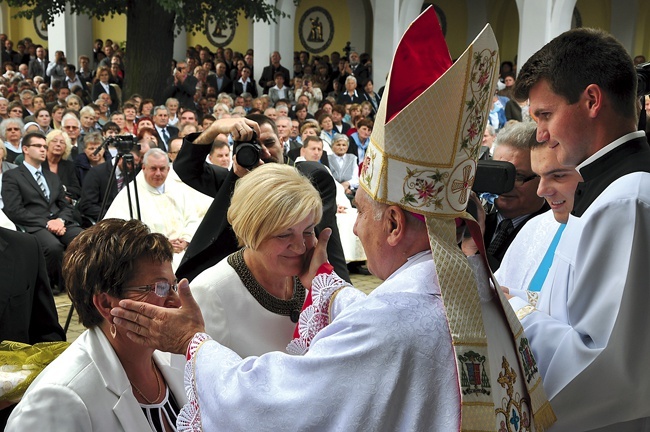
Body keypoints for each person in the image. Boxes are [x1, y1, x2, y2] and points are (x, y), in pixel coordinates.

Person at [111, 12, 554, 431]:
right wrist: (327, 284)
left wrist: (194, 341)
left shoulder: (395, 318)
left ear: (395, 223)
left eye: (361, 211)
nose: (355, 229)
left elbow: (276, 403)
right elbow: (383, 324)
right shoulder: (468, 285)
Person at [506, 28, 650, 431]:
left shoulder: (629, 199)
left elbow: (605, 369)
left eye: (545, 115)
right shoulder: (607, 191)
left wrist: (512, 312)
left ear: (591, 100)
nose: (540, 134)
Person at [5, 219, 187, 431]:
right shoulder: (59, 397)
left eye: (173, 285)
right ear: (106, 304)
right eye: (160, 288)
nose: (177, 301)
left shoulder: (175, 356)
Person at [188, 163, 321, 357]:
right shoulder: (211, 293)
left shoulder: (315, 277)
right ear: (251, 231)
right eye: (284, 235)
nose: (301, 247)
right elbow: (202, 379)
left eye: (308, 231)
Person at [496, 129, 582, 303]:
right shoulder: (536, 226)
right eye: (540, 176)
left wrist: (514, 305)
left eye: (558, 176)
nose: (541, 191)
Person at [1, 132, 83, 293]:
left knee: (83, 239)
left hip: (59, 221)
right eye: (38, 146)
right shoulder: (12, 176)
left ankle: (79, 283)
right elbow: (14, 210)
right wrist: (47, 223)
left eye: (44, 146)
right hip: (34, 223)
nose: (43, 150)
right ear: (25, 149)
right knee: (53, 247)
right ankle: (52, 286)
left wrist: (60, 221)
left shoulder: (52, 177)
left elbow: (66, 205)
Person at [105, 148, 201, 271]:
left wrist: (186, 240)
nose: (158, 173)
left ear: (168, 169)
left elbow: (193, 219)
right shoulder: (131, 193)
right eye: (153, 168)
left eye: (162, 169)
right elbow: (121, 233)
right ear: (144, 168)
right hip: (151, 256)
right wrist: (161, 244)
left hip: (184, 252)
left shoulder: (178, 189)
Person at [476, 122, 548, 270]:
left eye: (518, 176)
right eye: (500, 174)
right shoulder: (475, 223)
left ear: (542, 177)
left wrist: (475, 249)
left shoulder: (549, 232)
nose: (506, 185)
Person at [42, 129, 82, 203]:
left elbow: (77, 191)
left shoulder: (69, 166)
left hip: (63, 206)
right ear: (47, 144)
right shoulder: (39, 163)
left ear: (66, 147)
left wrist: (64, 189)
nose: (58, 144)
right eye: (54, 141)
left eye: (62, 142)